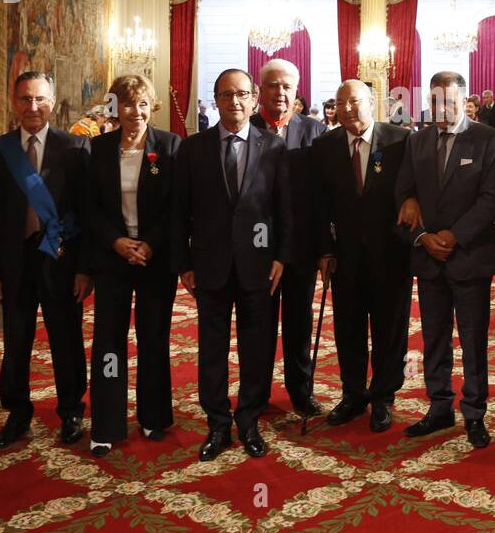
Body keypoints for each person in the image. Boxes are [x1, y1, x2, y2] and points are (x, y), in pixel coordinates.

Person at [172, 69, 289, 460]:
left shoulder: (273, 147)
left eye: (241, 95)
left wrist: (281, 256)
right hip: (210, 266)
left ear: (254, 98)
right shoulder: (193, 148)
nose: (234, 102)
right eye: (226, 95)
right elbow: (180, 211)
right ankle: (218, 424)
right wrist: (184, 262)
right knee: (212, 349)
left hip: (259, 266)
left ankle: (249, 420)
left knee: (257, 348)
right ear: (216, 100)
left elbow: (282, 210)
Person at [0, 71, 93, 449]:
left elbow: (86, 213)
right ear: (13, 102)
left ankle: (72, 409)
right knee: (16, 338)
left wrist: (83, 269)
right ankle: (17, 411)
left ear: (53, 101)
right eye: (25, 99)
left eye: (40, 99)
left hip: (60, 260)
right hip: (14, 262)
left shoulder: (76, 148)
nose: (33, 107)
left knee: (66, 337)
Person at [393, 71, 495, 448]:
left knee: (473, 340)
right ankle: (439, 407)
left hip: (469, 255)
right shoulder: (417, 140)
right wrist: (423, 238)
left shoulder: (488, 138)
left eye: (449, 101)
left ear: (464, 99)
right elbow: (403, 194)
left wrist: (454, 236)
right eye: (435, 101)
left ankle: (474, 413)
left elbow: (492, 198)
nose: (441, 109)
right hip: (429, 259)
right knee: (434, 337)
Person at [84, 74, 180, 457]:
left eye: (141, 103)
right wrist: (117, 242)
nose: (134, 111)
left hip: (156, 259)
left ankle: (154, 416)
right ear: (114, 108)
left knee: (153, 337)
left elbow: (176, 207)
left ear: (151, 106)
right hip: (112, 258)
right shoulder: (98, 148)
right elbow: (88, 206)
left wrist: (150, 245)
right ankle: (107, 422)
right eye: (126, 104)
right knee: (109, 342)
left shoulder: (170, 146)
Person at [310, 80, 412, 431]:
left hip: (391, 253)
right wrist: (323, 248)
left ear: (372, 102)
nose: (348, 109)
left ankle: (384, 395)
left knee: (390, 328)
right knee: (348, 328)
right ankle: (353, 394)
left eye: (355, 101)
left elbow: (411, 192)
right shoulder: (324, 146)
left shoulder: (401, 141)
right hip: (345, 256)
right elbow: (318, 204)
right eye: (341, 103)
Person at [250, 59, 326, 417]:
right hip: (257, 249)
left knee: (299, 325)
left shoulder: (315, 131)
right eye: (273, 86)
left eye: (286, 87)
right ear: (260, 91)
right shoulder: (243, 128)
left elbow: (325, 194)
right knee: (259, 326)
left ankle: (301, 393)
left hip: (301, 249)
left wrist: (326, 247)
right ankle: (257, 394)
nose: (280, 93)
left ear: (296, 91)